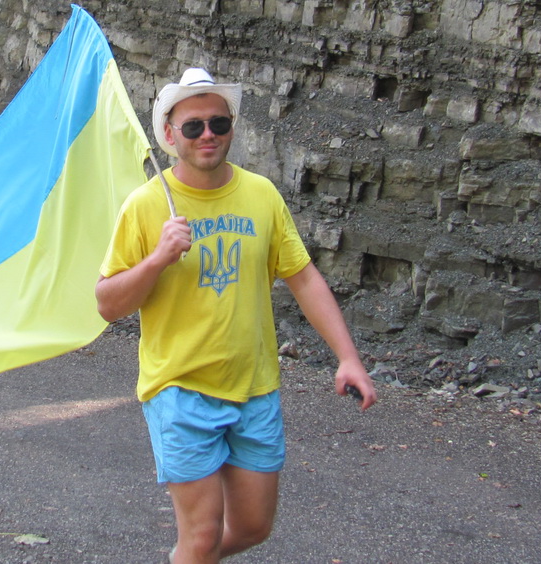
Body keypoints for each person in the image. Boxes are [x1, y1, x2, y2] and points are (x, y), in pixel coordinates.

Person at [96, 68, 377, 564]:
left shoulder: (261, 195)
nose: (207, 134)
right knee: (202, 536)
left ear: (231, 128)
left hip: (254, 388)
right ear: (169, 136)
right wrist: (158, 259)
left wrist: (347, 357)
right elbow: (108, 303)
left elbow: (304, 278)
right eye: (193, 126)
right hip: (179, 389)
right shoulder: (145, 206)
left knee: (252, 527)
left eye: (218, 123)